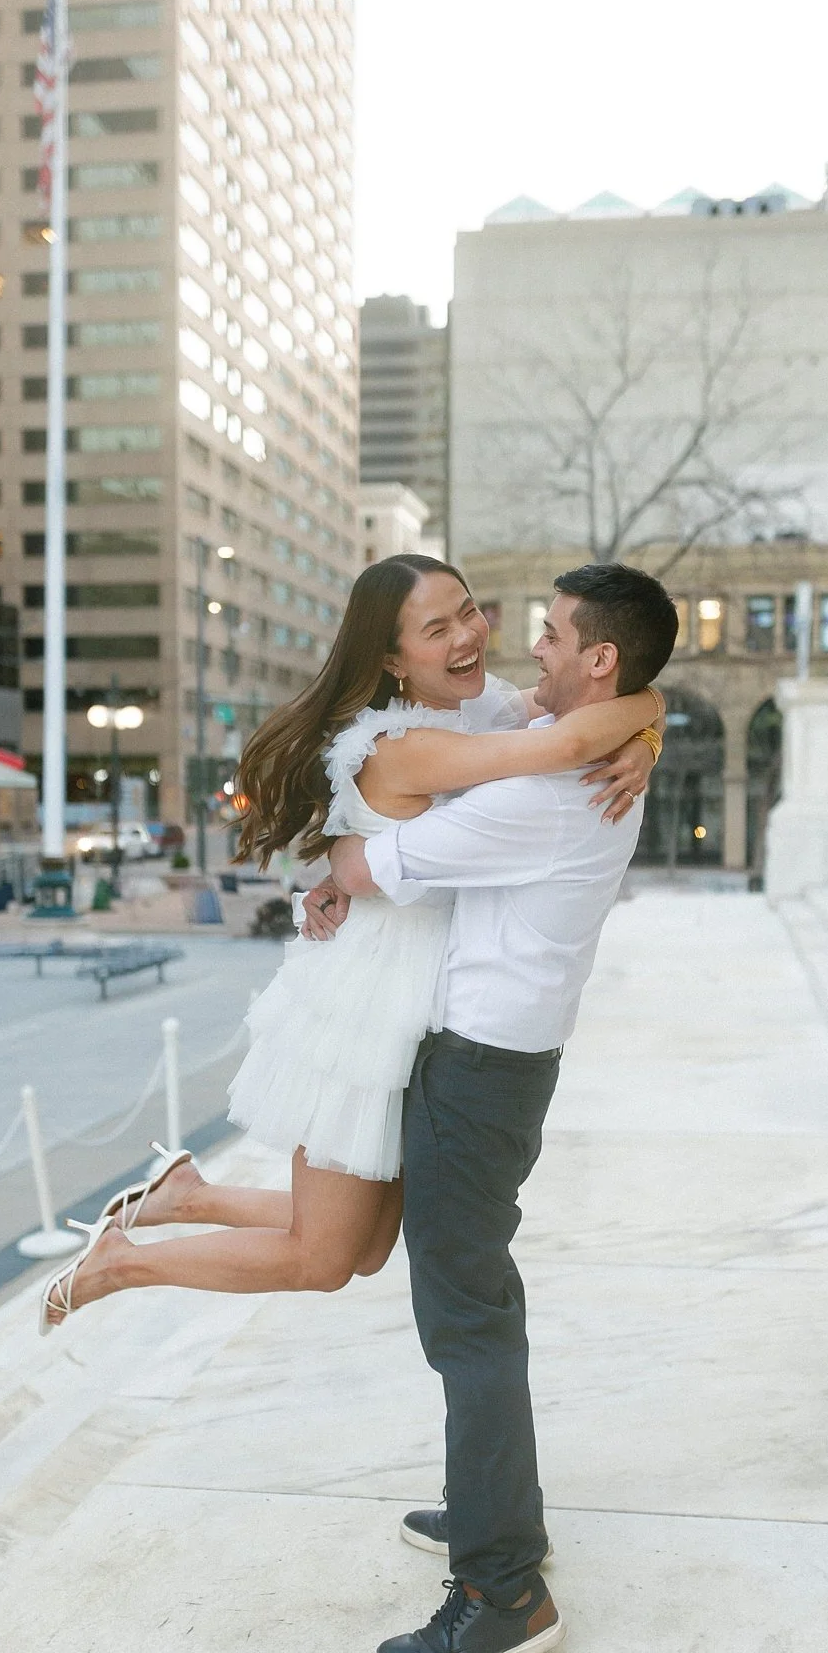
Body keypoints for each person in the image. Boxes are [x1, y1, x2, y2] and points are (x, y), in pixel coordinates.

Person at [39, 554, 660, 1331]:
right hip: (371, 1002)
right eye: (437, 629)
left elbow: (579, 707)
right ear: (393, 660)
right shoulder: (404, 743)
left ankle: (185, 1195)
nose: (470, 636)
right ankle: (118, 1264)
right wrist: (647, 713)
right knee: (324, 1258)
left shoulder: (479, 706)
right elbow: (569, 745)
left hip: (426, 1002)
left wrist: (648, 725)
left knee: (364, 1246)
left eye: (468, 611)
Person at [315, 561, 679, 1653]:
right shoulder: (589, 758)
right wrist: (645, 715)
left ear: (600, 661)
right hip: (499, 1064)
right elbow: (548, 720)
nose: (534, 650)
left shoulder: (546, 795)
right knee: (477, 1302)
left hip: (477, 1073)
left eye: (557, 637)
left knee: (464, 1318)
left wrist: (341, 863)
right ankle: (489, 1503)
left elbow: (364, 868)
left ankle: (501, 1586)